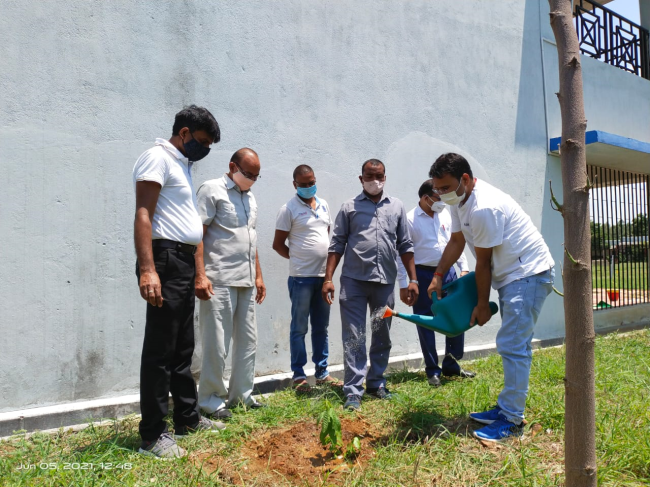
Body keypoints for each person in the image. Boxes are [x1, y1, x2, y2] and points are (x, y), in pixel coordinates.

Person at [427, 153, 555, 442]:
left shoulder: (484, 207)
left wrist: (482, 305)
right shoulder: (460, 201)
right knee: (512, 343)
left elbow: (483, 263)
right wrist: (438, 274)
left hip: (528, 274)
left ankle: (512, 420)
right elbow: (457, 241)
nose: (441, 194)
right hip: (513, 275)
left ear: (465, 179)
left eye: (446, 187)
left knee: (513, 345)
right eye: (438, 188)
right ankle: (507, 408)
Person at [133, 105, 225, 459]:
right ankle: (152, 435)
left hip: (183, 261)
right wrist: (148, 269)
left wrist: (199, 271)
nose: (205, 149)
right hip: (165, 259)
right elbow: (144, 213)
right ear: (183, 133)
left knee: (183, 346)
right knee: (160, 350)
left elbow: (190, 225)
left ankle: (187, 418)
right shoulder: (156, 158)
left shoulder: (182, 165)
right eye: (202, 141)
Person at [323, 159, 419, 411]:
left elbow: (405, 245)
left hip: (384, 284)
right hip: (353, 283)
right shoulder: (349, 207)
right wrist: (328, 279)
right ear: (361, 178)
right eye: (369, 176)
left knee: (381, 334)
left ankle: (376, 383)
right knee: (354, 337)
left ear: (385, 177)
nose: (375, 181)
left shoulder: (396, 206)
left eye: (379, 176)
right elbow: (337, 244)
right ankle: (353, 391)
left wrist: (413, 279)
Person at [195, 148, 267, 419]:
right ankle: (211, 401)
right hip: (219, 280)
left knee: (248, 341)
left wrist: (258, 275)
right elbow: (197, 235)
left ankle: (242, 396)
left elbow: (250, 238)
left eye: (256, 176)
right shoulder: (211, 190)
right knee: (217, 344)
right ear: (232, 166)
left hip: (246, 280)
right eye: (248, 174)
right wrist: (200, 275)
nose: (252, 180)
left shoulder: (250, 197)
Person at [397, 179, 475, 387]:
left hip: (448, 272)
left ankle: (452, 363)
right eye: (438, 197)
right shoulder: (410, 220)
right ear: (425, 198)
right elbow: (402, 254)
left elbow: (455, 242)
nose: (443, 201)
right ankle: (432, 370)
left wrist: (463, 267)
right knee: (426, 321)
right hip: (422, 275)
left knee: (456, 317)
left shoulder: (446, 214)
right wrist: (405, 282)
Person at [272, 165, 343, 392]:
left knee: (321, 327)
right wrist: (297, 259)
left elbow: (326, 236)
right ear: (295, 184)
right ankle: (299, 376)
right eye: (303, 184)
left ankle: (322, 373)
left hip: (323, 278)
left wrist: (326, 272)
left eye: (311, 182)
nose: (308, 187)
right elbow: (277, 244)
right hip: (301, 278)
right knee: (299, 328)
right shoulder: (288, 209)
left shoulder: (324, 205)